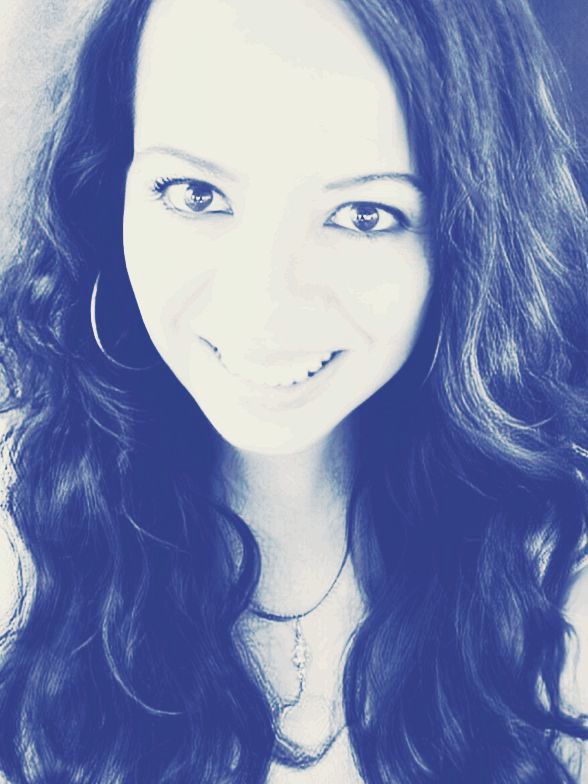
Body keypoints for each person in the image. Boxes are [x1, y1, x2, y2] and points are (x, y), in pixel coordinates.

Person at [0, 0, 587, 781]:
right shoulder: (19, 543)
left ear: (471, 240)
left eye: (364, 214)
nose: (261, 306)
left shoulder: (557, 577)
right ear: (112, 188)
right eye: (194, 193)